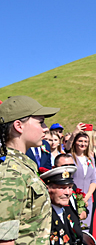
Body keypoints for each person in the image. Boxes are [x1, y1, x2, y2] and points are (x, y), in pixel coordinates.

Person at [0, 95, 59, 244]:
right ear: (19, 126)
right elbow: (4, 240)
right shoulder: (11, 172)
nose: (46, 129)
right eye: (41, 122)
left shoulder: (22, 166)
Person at [40, 165, 83, 245]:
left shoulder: (68, 211)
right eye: (62, 188)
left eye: (69, 187)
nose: (67, 193)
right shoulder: (43, 216)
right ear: (48, 189)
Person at [70, 132, 96, 230]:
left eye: (85, 141)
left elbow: (94, 180)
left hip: (87, 200)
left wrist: (87, 197)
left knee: (86, 228)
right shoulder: (70, 158)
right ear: (75, 142)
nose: (83, 144)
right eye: (80, 141)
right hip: (74, 198)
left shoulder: (90, 159)